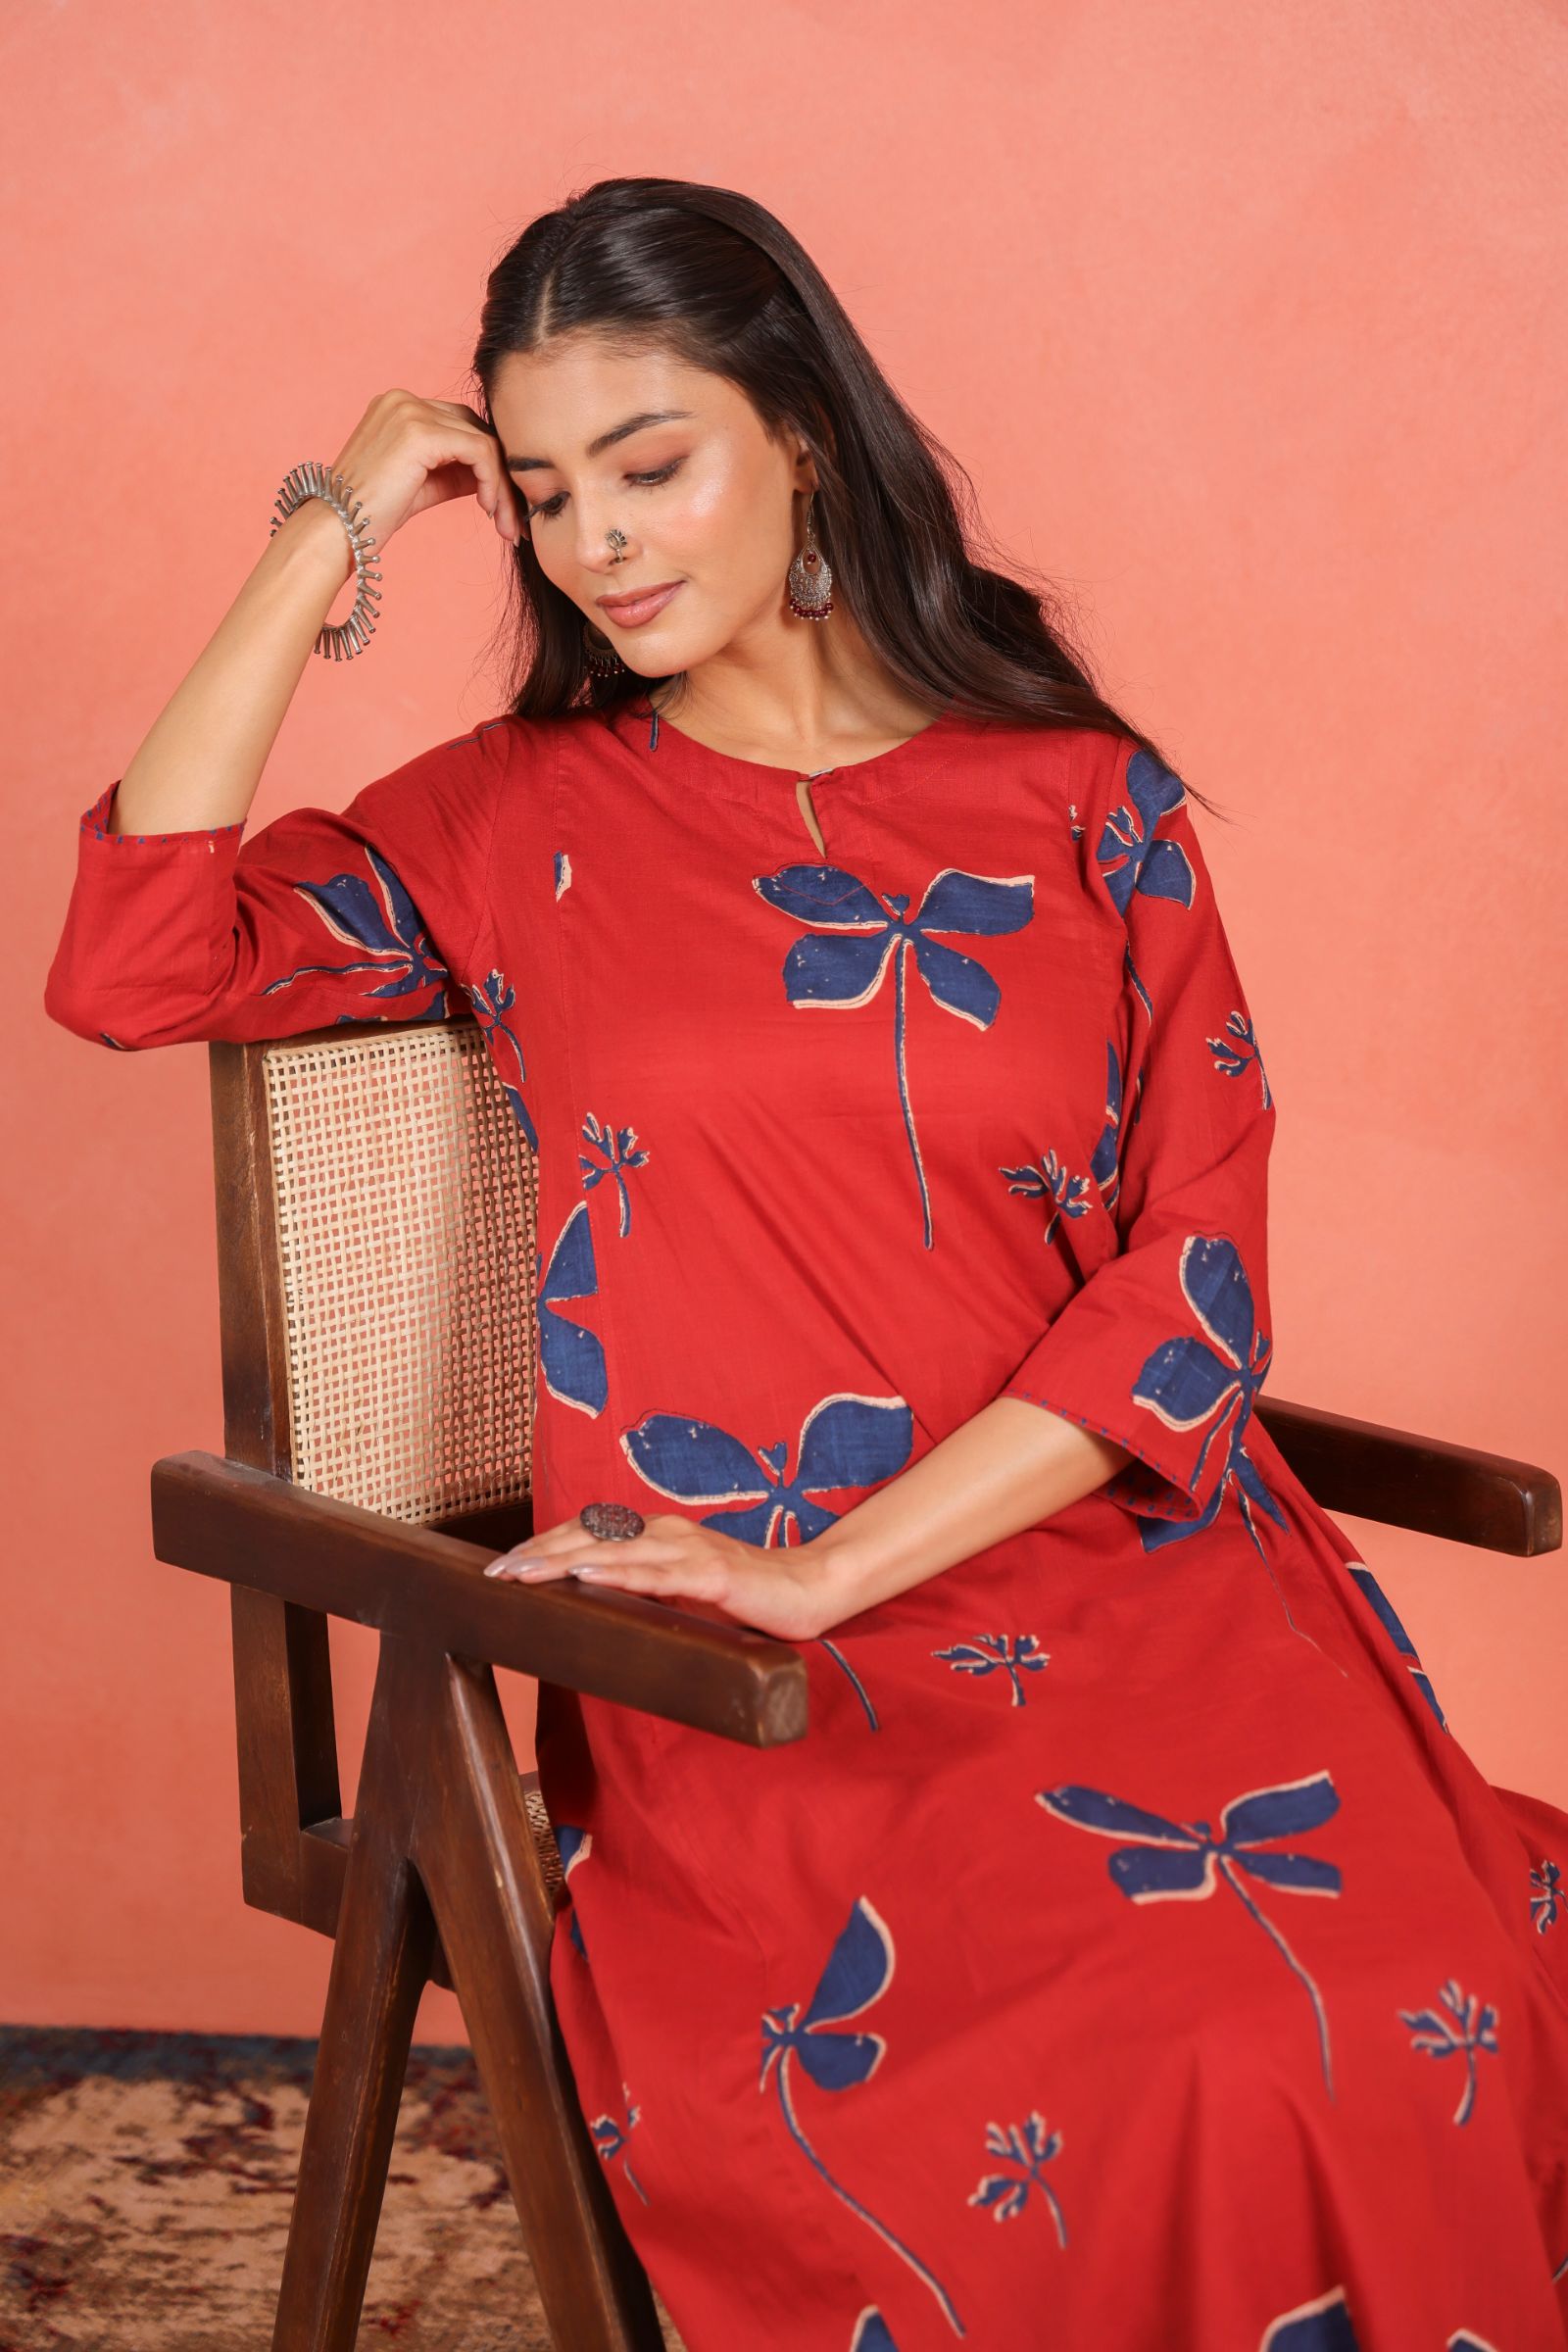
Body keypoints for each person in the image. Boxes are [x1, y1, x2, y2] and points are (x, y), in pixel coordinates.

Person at [43, 175, 1568, 2352]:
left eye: (648, 466)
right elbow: (134, 960)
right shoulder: (517, 819)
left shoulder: (1079, 796)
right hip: (737, 1650)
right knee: (1172, 2068)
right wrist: (331, 527)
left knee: (1420, 1990)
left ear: (803, 440)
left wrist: (842, 1566)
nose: (595, 542)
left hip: (1133, 1586)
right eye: (544, 495)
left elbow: (1194, 1282)